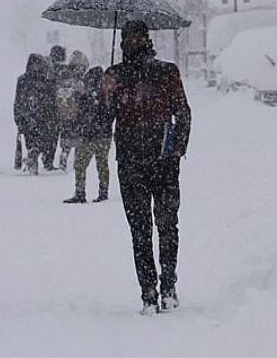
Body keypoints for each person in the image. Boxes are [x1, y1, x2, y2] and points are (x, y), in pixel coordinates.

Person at [102, 20, 191, 315]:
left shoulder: (117, 75)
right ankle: (165, 287)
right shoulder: (165, 72)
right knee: (165, 226)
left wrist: (104, 93)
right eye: (131, 37)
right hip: (160, 161)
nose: (132, 42)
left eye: (132, 38)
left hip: (134, 162)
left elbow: (103, 120)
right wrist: (177, 147)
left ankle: (151, 292)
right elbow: (183, 113)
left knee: (142, 230)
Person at [63, 66, 113, 204]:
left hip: (89, 136)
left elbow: (79, 116)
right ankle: (103, 192)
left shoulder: (86, 95)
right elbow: (111, 115)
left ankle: (80, 192)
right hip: (104, 135)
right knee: (102, 164)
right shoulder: (107, 95)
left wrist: (76, 129)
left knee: (80, 164)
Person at [14, 53, 57, 175]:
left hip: (28, 118)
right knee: (44, 140)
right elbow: (51, 100)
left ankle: (32, 156)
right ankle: (42, 159)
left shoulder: (22, 80)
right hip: (43, 117)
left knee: (32, 140)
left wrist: (18, 118)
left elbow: (18, 101)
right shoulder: (46, 80)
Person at [55, 50, 89, 171]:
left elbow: (58, 92)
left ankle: (64, 154)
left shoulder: (63, 75)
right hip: (78, 112)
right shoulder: (81, 78)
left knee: (66, 135)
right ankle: (77, 160)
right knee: (79, 136)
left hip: (65, 111)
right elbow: (84, 95)